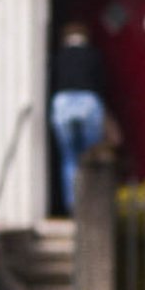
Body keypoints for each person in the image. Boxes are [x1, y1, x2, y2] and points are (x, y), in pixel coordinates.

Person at [48, 21, 111, 212]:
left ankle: (73, 205)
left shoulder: (59, 57)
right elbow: (101, 83)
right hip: (88, 103)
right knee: (91, 155)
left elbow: (52, 82)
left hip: (63, 104)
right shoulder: (93, 55)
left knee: (69, 158)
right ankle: (91, 205)